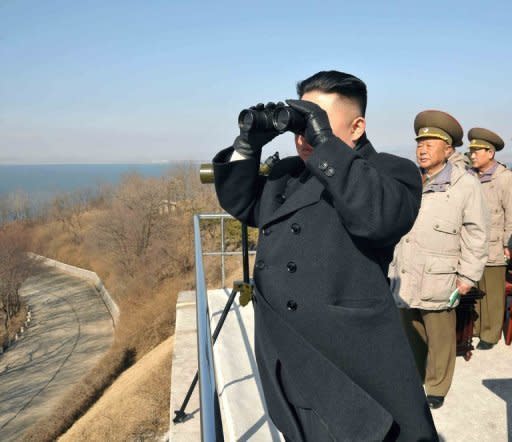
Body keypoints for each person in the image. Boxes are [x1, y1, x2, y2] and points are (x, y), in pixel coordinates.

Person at [212, 71, 437, 441]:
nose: (304, 135)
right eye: (301, 123)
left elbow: (379, 218)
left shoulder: (390, 172)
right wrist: (247, 145)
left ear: (357, 126)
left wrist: (324, 142)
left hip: (344, 361)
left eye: (315, 122)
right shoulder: (287, 175)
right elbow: (242, 202)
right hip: (285, 351)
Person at [389, 110, 488, 410]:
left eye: (430, 143)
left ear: (448, 150)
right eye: (420, 142)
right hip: (407, 270)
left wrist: (468, 276)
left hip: (442, 275)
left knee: (441, 337)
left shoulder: (465, 184)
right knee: (412, 331)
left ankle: (437, 386)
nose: (422, 148)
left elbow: (476, 232)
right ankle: (417, 376)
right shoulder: (411, 179)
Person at [469, 128, 512, 349]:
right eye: (471, 151)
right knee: (476, 288)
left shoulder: (504, 179)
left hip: (495, 246)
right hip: (474, 246)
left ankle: (491, 334)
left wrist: (507, 244)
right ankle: (476, 328)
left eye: (477, 151)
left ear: (490, 153)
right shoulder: (470, 177)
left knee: (493, 293)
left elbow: (511, 214)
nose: (473, 155)